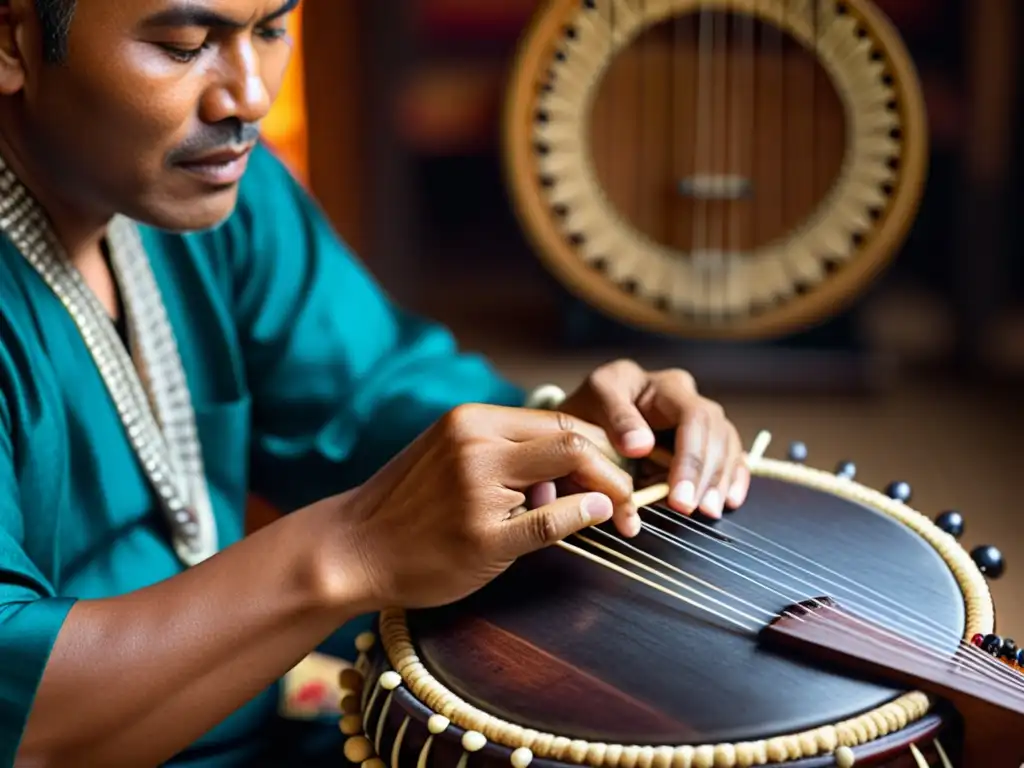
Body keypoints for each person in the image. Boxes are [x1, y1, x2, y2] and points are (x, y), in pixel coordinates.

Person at [0, 1, 751, 765]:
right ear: (11, 39)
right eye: (183, 45)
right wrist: (351, 548)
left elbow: (366, 396)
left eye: (269, 30)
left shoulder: (223, 195)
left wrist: (558, 438)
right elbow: (20, 716)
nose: (250, 96)